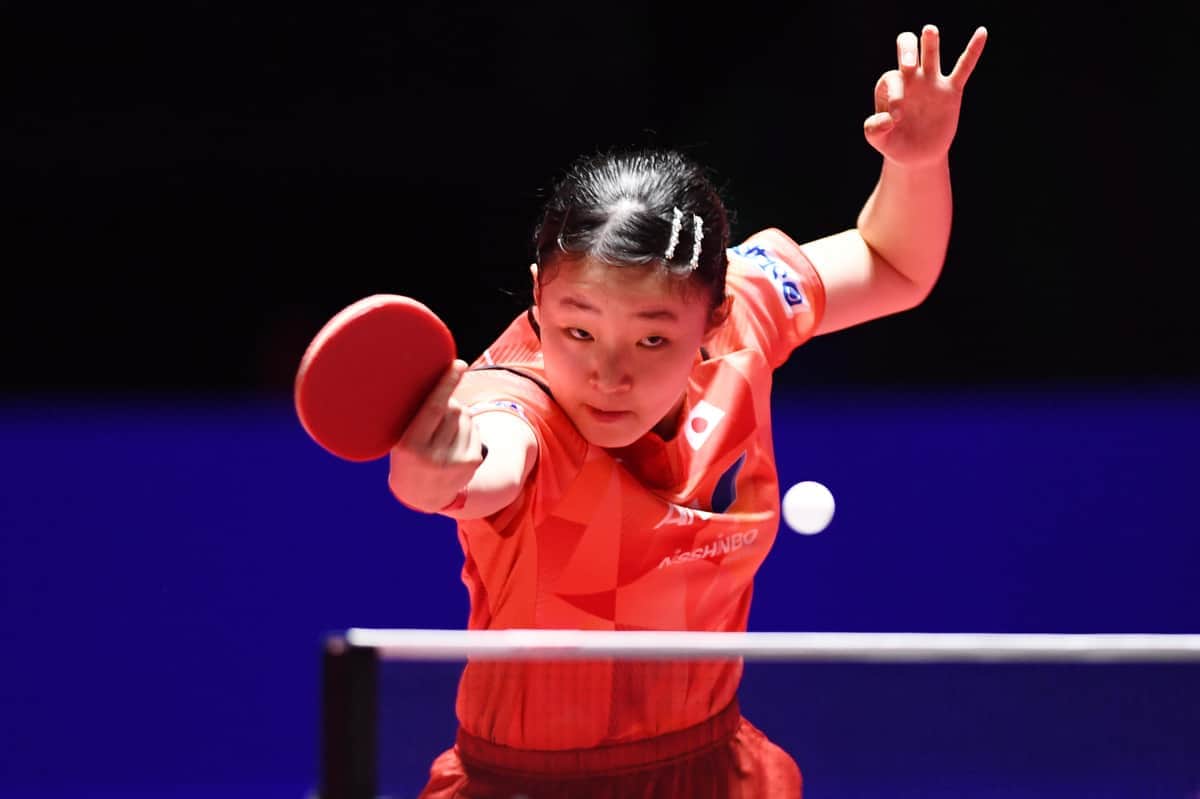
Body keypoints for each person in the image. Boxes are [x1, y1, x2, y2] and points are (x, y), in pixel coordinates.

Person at [389, 22, 987, 799]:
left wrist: (918, 163)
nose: (607, 372)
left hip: (711, 775)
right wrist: (433, 472)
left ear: (712, 315)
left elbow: (892, 262)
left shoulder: (747, 312)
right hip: (526, 787)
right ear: (537, 294)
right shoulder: (518, 402)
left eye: (651, 338)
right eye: (576, 328)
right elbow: (480, 462)